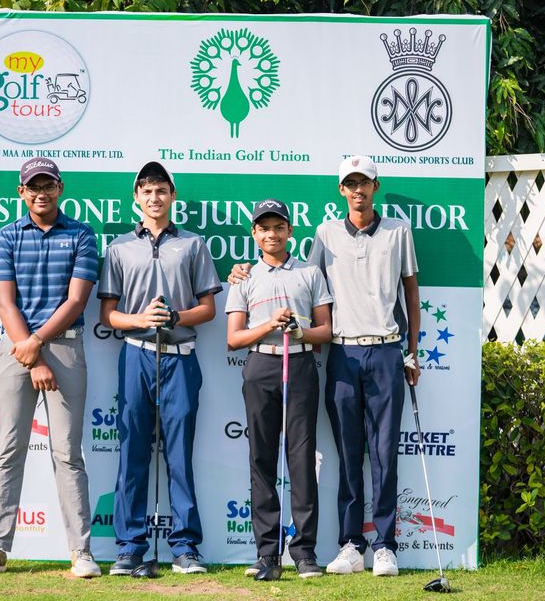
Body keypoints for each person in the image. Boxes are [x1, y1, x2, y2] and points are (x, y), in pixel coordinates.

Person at [230, 155, 421, 577]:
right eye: (350, 183)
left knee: (385, 452)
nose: (357, 189)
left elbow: (411, 291)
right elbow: (299, 279)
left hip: (386, 349)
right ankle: (351, 543)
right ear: (341, 190)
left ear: (375, 186)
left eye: (364, 182)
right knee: (349, 454)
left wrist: (412, 349)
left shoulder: (398, 231)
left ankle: (385, 546)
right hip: (342, 352)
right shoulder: (326, 234)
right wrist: (243, 270)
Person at [0, 157, 100, 577]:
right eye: (33, 186)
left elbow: (76, 301)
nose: (41, 193)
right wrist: (32, 354)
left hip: (62, 347)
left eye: (48, 185)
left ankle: (81, 552)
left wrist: (37, 345)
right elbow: (5, 302)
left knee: (68, 453)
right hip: (17, 349)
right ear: (21, 192)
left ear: (60, 188)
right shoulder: (7, 235)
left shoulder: (81, 234)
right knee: (8, 449)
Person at [98, 161, 222, 575]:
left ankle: (185, 547)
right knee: (132, 451)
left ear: (172, 196)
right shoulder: (119, 248)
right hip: (136, 354)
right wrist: (140, 319)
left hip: (180, 357)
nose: (154, 197)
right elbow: (108, 314)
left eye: (161, 190)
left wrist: (174, 317)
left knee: (179, 455)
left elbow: (208, 309)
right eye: (147, 191)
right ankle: (130, 547)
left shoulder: (192, 244)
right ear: (136, 197)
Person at [225, 199, 334, 580]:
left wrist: (299, 332)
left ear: (290, 231)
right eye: (264, 228)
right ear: (254, 234)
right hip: (260, 366)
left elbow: (326, 330)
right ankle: (267, 553)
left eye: (278, 227)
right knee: (262, 459)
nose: (271, 234)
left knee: (301, 459)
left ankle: (304, 552)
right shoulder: (243, 277)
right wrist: (270, 325)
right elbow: (233, 338)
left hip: (300, 364)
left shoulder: (309, 272)